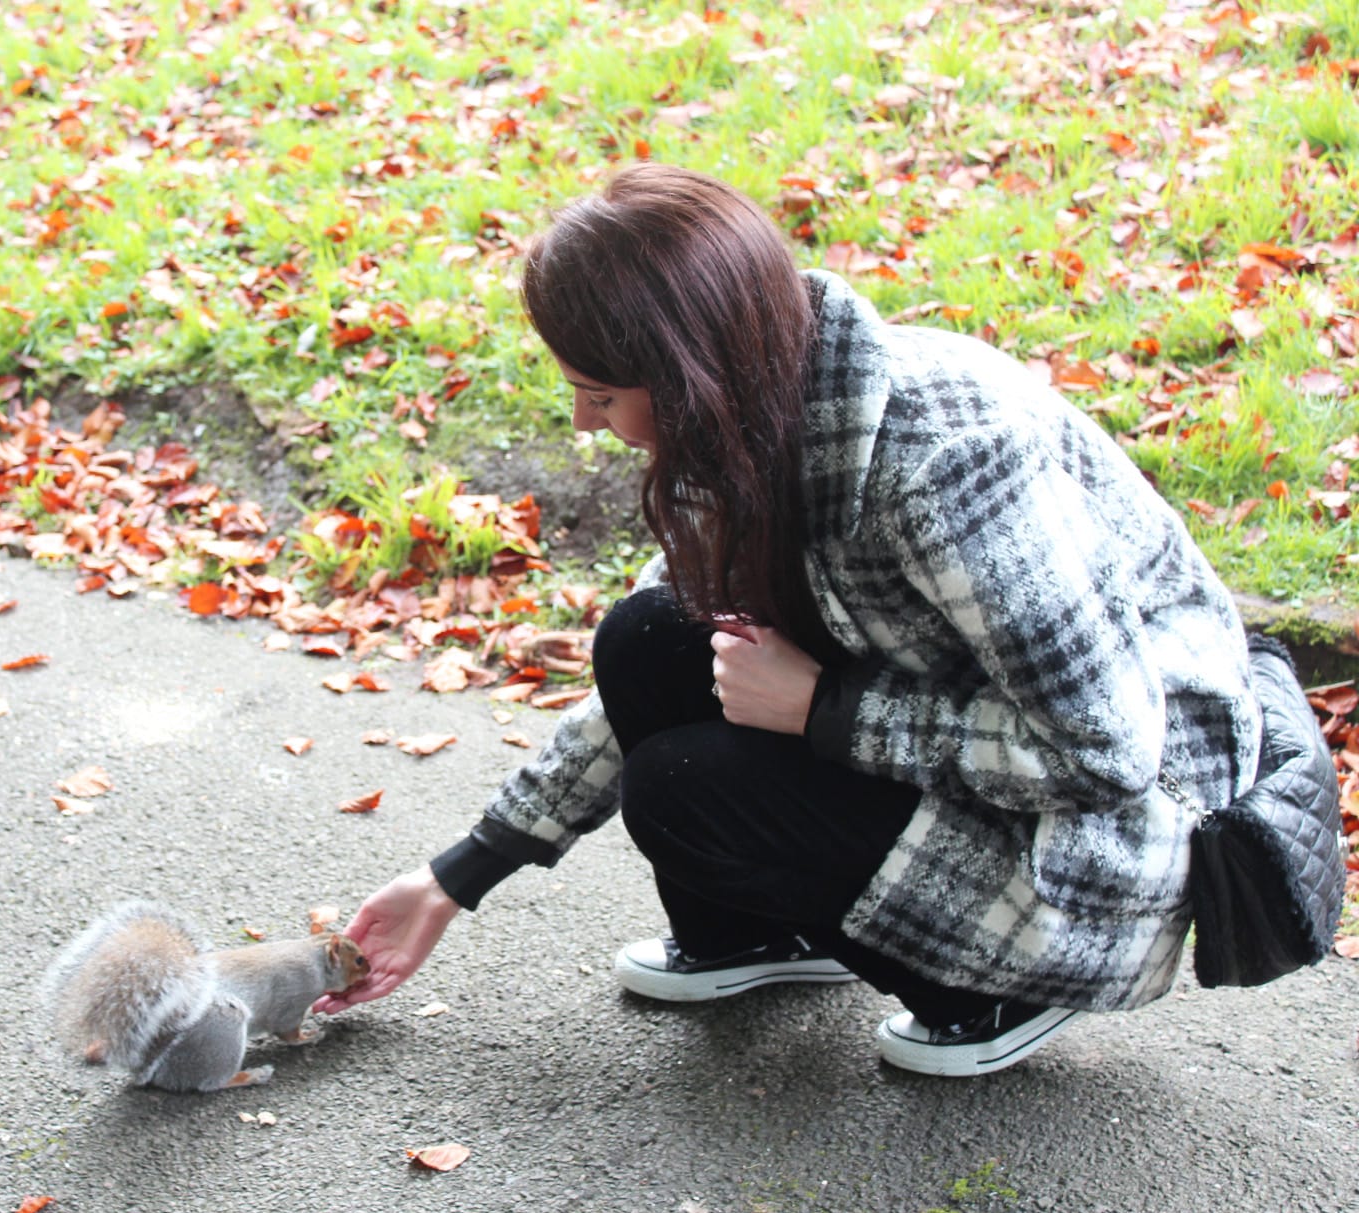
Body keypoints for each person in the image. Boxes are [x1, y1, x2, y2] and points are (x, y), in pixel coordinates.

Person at [311, 164, 1262, 1077]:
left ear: (682, 371)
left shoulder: (946, 463)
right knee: (645, 639)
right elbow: (642, 683)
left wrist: (828, 711)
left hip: (1124, 828)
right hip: (958, 712)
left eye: (599, 395)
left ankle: (994, 991)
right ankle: (763, 932)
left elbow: (1107, 751)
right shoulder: (737, 418)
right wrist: (459, 875)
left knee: (683, 785)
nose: (586, 424)